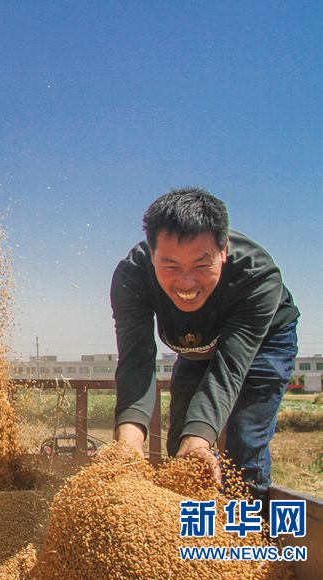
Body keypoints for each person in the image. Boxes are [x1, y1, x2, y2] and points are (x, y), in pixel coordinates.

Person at [111, 187, 299, 503]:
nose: (186, 283)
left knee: (243, 439)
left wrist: (200, 441)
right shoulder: (133, 276)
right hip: (198, 347)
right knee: (182, 442)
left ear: (223, 251)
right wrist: (127, 447)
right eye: (170, 266)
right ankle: (187, 529)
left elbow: (229, 370)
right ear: (152, 253)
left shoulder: (258, 277)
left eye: (201, 265)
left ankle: (247, 530)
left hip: (262, 345)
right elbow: (136, 361)